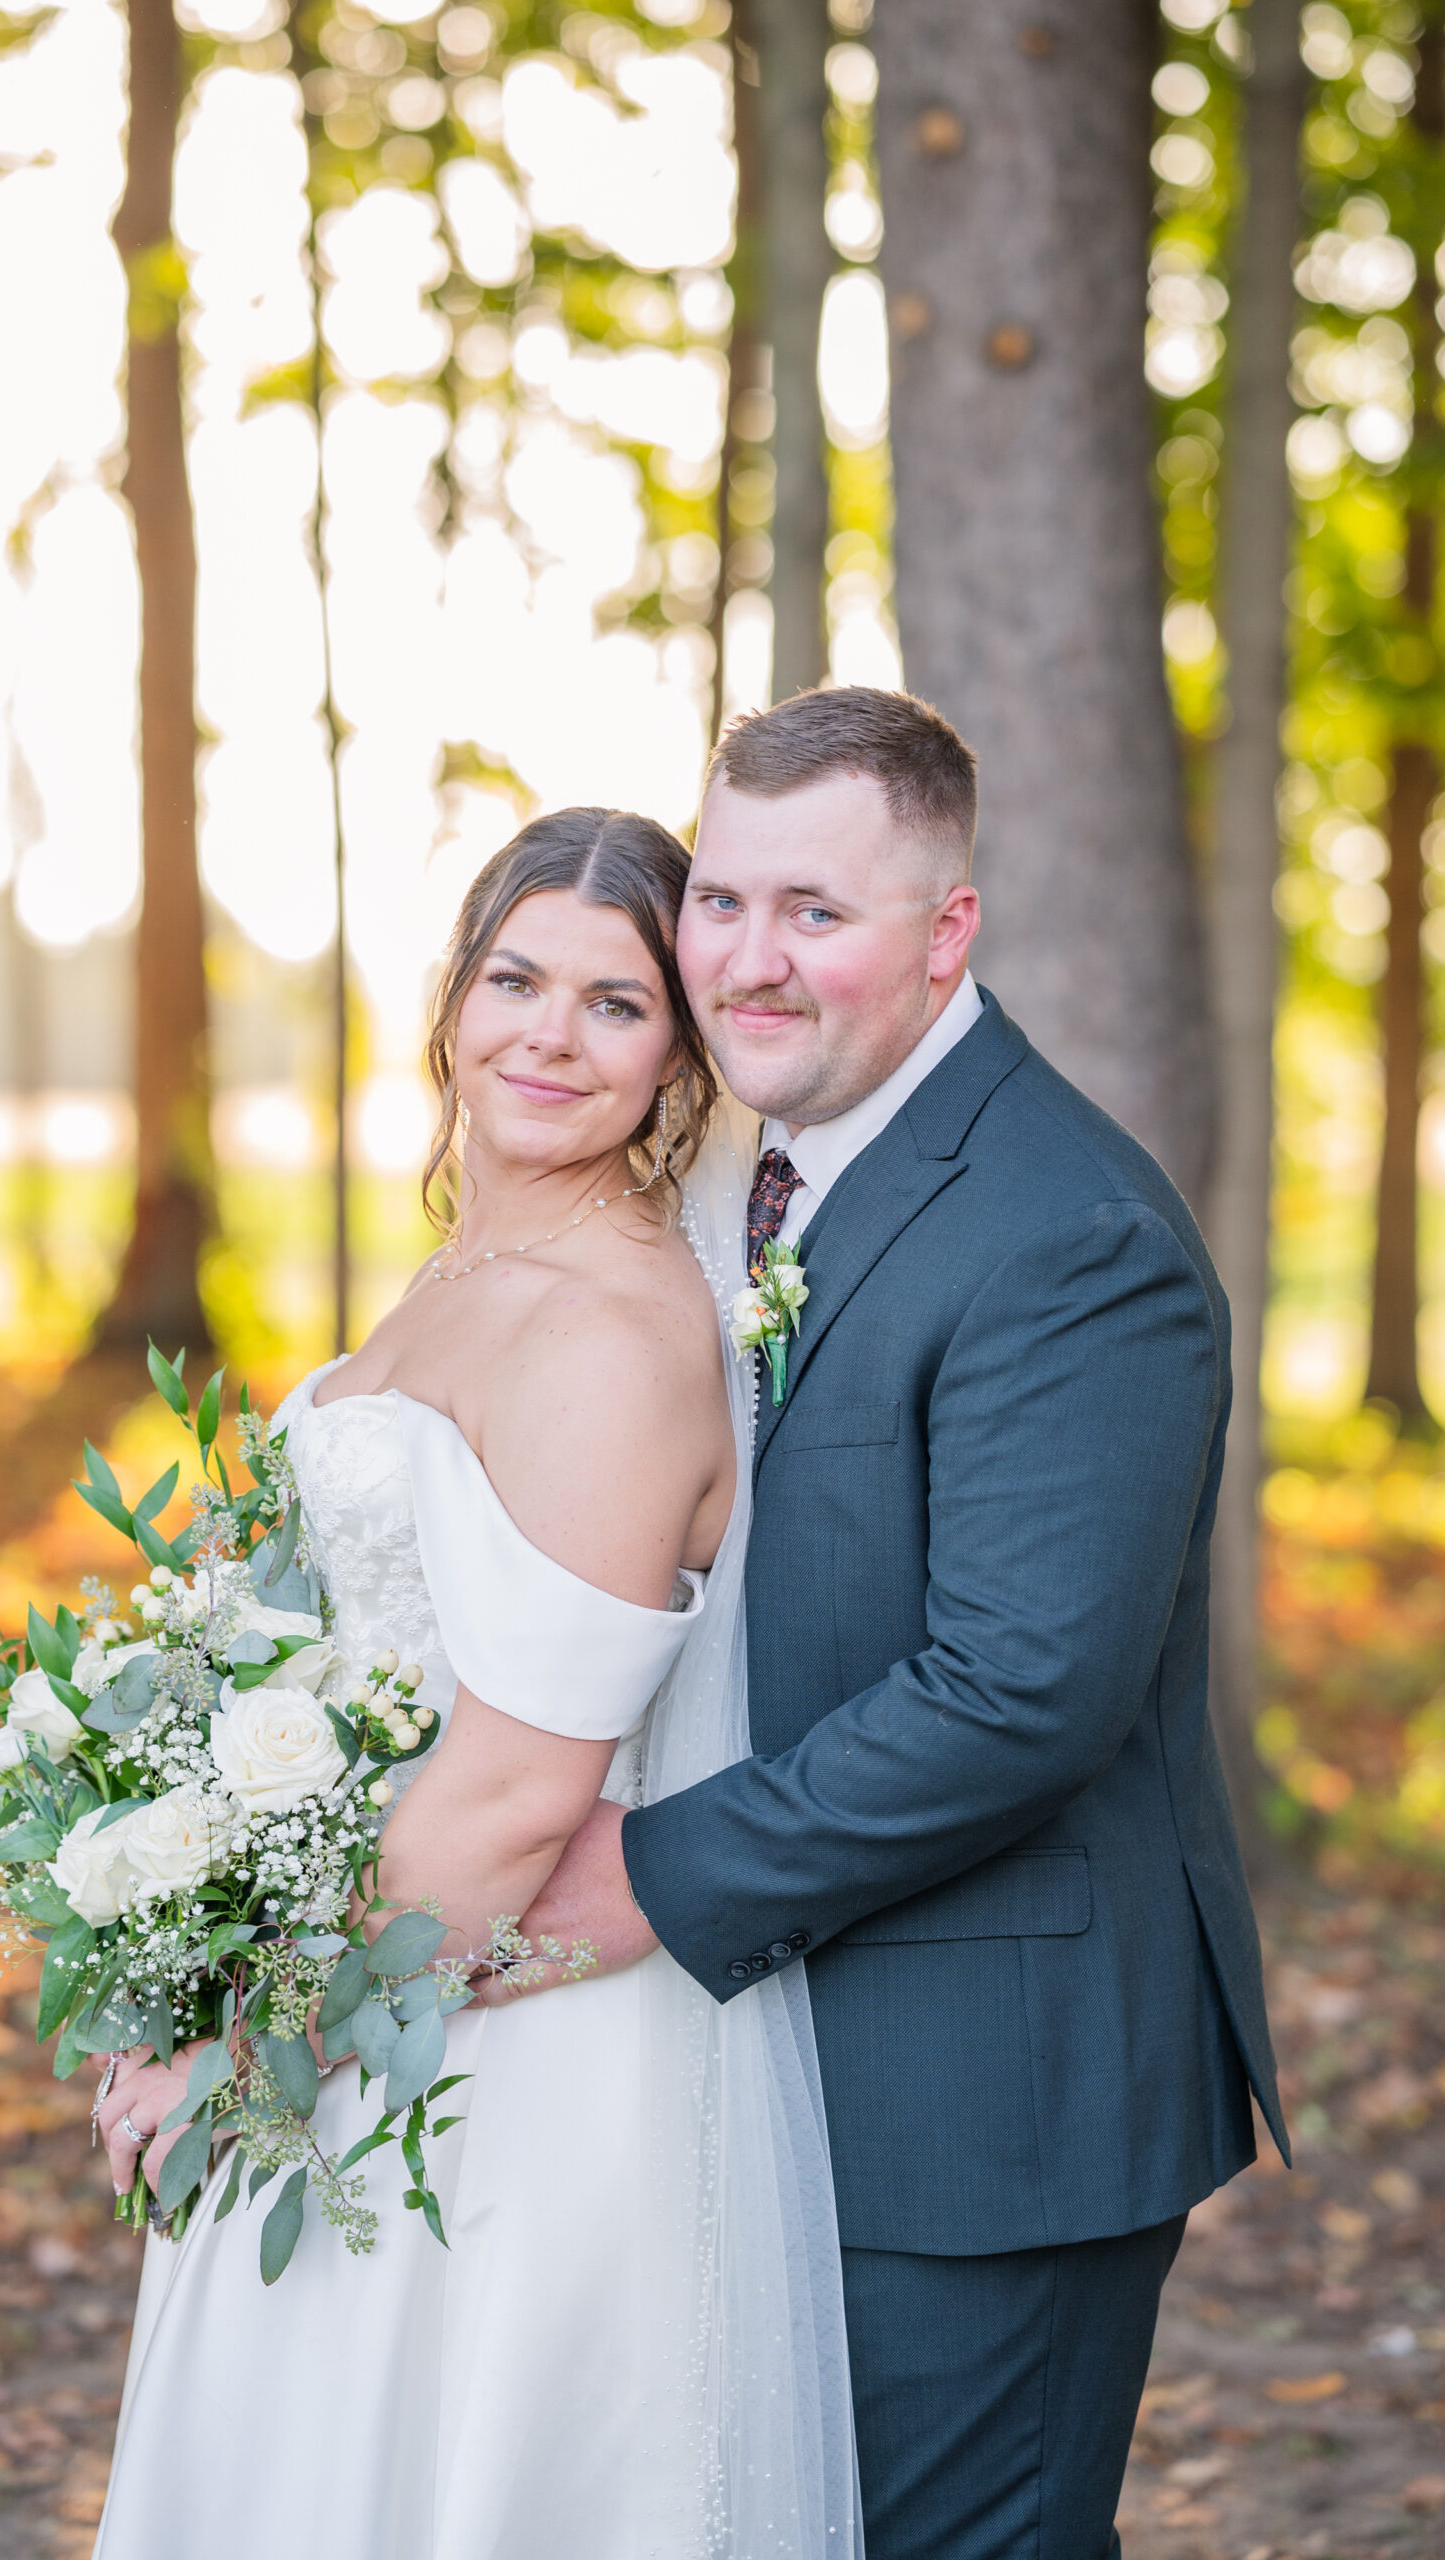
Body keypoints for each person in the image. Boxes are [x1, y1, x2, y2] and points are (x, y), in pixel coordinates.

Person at [522, 685, 1289, 2560]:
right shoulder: (736, 1188)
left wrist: (653, 1870)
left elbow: (1024, 1690)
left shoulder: (1065, 1232)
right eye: (722, 902)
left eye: (817, 914)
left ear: (949, 932)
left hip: (985, 2095)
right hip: (775, 2060)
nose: (747, 964)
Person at [88, 808, 863, 2558]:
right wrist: (179, 1919)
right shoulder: (465, 1272)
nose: (548, 1036)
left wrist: (251, 2043)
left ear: (679, 1054)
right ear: (452, 1000)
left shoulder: (613, 1328)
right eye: (516, 979)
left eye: (615, 1004)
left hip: (503, 2061)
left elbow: (522, 1786)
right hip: (366, 1977)